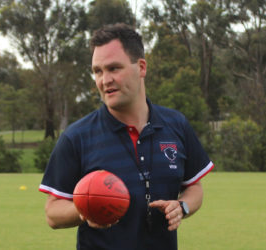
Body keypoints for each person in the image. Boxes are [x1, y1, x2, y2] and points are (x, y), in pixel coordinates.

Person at [39, 23, 214, 250]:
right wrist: (85, 210)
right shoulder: (77, 137)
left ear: (141, 67)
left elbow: (195, 188)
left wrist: (182, 207)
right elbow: (52, 212)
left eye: (114, 68)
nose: (105, 80)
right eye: (97, 71)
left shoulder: (176, 125)